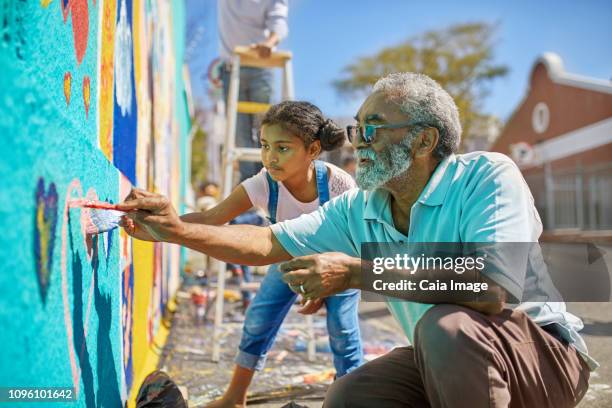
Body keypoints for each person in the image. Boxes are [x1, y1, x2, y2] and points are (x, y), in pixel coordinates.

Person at [119, 72, 596, 408]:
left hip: (543, 357)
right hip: (447, 359)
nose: (357, 141)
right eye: (356, 128)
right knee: (351, 395)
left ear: (425, 141)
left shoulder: (486, 175)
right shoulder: (361, 205)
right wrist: (178, 231)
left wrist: (358, 272)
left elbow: (493, 286)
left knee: (444, 327)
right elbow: (268, 243)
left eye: (372, 128)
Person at [123, 101, 363, 408]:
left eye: (283, 148)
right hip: (286, 256)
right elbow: (212, 218)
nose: (270, 157)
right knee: (258, 318)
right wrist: (159, 230)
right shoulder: (264, 183)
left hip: (340, 262)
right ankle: (235, 396)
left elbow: (354, 240)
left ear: (313, 150)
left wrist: (324, 286)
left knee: (343, 330)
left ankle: (351, 397)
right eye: (265, 146)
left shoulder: (339, 184)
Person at [218, 0, 289, 181]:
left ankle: (266, 181)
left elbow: (278, 21)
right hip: (231, 68)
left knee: (264, 129)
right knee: (239, 133)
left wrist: (270, 42)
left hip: (261, 67)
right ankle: (249, 187)